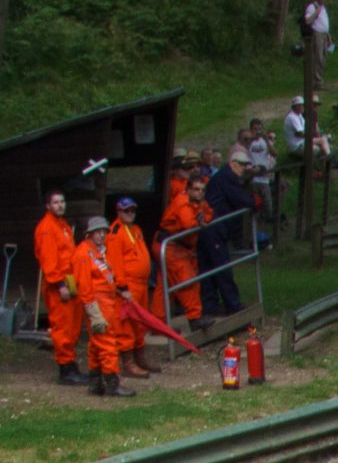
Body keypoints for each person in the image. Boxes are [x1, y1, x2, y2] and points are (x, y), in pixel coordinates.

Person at [73, 214, 133, 397]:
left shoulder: (98, 251)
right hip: (97, 304)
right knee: (107, 344)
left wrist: (118, 291)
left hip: (107, 302)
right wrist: (93, 312)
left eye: (102, 231)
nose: (100, 235)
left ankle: (96, 384)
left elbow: (106, 277)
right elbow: (83, 286)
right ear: (88, 234)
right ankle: (112, 384)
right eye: (96, 232)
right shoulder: (83, 254)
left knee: (96, 344)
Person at [32, 190, 86, 386]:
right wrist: (60, 284)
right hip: (58, 284)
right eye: (55, 202)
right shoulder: (47, 228)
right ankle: (65, 370)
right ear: (48, 206)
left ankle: (71, 366)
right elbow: (49, 261)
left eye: (62, 201)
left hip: (69, 280)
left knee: (72, 324)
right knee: (62, 326)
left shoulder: (62, 225)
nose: (60, 205)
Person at [106, 195, 155, 378]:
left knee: (139, 323)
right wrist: (122, 287)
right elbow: (115, 262)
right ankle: (128, 363)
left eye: (133, 210)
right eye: (127, 210)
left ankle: (140, 357)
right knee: (126, 324)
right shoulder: (116, 233)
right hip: (128, 285)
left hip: (141, 283)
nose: (131, 213)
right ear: (119, 211)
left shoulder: (135, 229)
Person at [201, 152, 256, 314]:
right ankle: (233, 305)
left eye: (247, 164)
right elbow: (239, 198)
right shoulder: (226, 177)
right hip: (214, 228)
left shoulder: (224, 176)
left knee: (210, 269)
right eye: (242, 164)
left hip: (213, 228)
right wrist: (253, 203)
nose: (245, 167)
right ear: (232, 163)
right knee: (221, 266)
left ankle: (210, 306)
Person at [159, 165, 204, 324]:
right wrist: (200, 221)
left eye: (201, 190)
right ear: (189, 189)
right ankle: (194, 318)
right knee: (186, 280)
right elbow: (188, 225)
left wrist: (202, 218)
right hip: (170, 246)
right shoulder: (183, 202)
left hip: (176, 246)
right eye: (196, 189)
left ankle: (160, 321)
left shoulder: (195, 202)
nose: (199, 193)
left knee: (164, 284)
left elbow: (209, 213)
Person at [301, 0, 332, 93]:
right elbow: (308, 20)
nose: (323, 0)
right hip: (317, 34)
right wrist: (316, 12)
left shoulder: (323, 8)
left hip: (324, 35)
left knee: (323, 57)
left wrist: (328, 37)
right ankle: (317, 82)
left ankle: (319, 80)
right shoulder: (312, 7)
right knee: (318, 58)